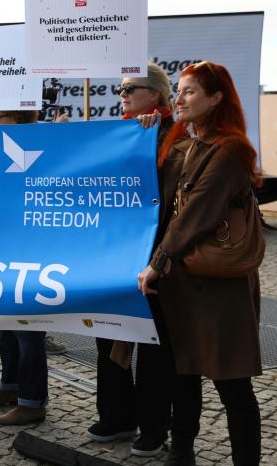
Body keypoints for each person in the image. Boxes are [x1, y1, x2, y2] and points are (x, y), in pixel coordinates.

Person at [139, 61, 262, 466]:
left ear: (216, 98)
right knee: (183, 372)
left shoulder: (231, 151)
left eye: (190, 91)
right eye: (178, 90)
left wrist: (157, 262)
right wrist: (146, 131)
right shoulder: (185, 145)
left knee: (232, 383)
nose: (180, 97)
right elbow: (152, 181)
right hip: (184, 283)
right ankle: (182, 450)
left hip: (220, 286)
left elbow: (196, 212)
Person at [87, 63, 176, 458]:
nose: (122, 94)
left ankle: (154, 427)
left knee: (153, 344)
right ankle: (116, 414)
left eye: (130, 88)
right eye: (119, 88)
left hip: (154, 256)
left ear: (155, 94)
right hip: (113, 253)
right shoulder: (119, 131)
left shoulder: (174, 134)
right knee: (108, 332)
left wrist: (150, 137)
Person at [0, 110, 49, 426]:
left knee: (28, 330)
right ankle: (11, 386)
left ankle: (32, 402)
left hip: (33, 251)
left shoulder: (45, 144)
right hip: (3, 249)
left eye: (1, 118)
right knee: (5, 323)